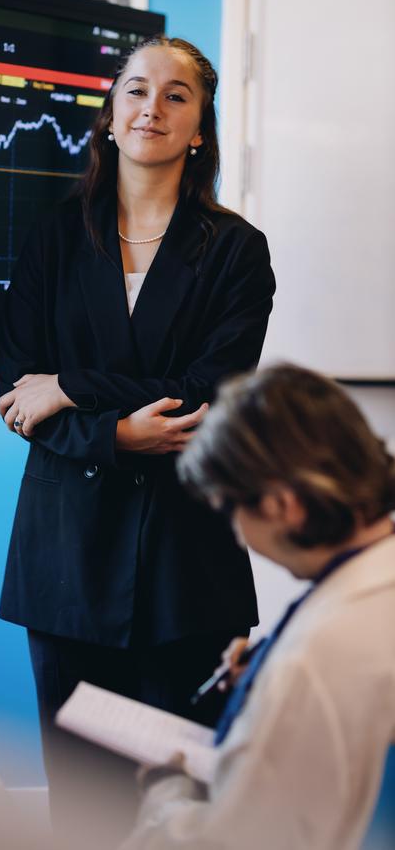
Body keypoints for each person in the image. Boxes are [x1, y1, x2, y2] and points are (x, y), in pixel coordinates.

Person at [0, 36, 275, 842]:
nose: (152, 106)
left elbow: (208, 393)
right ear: (111, 116)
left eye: (176, 95)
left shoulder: (236, 252)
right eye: (135, 91)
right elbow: (16, 394)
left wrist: (75, 389)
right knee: (82, 805)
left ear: (199, 129)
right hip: (65, 562)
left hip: (185, 571)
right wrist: (118, 432)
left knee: (181, 808)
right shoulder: (52, 238)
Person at [123, 363, 395, 850]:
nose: (237, 532)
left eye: (231, 510)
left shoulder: (311, 660)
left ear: (282, 506)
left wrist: (167, 790)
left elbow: (233, 842)